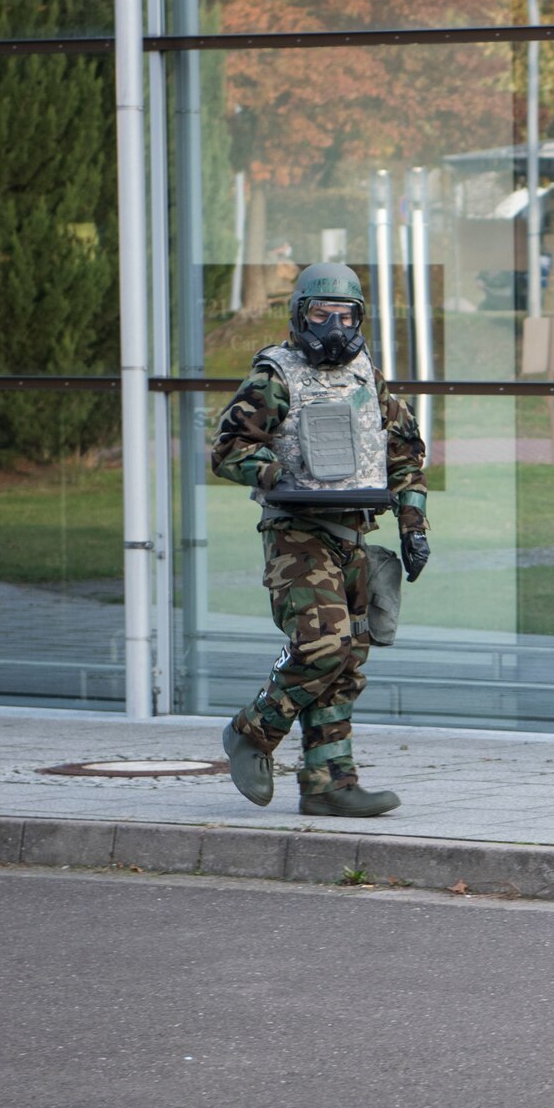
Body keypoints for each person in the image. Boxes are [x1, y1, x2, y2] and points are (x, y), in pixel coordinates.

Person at [210, 262, 432, 816]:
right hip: (297, 535)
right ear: (298, 315)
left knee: (347, 662)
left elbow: (405, 451)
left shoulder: (366, 375)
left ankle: (330, 783)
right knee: (322, 646)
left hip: (355, 534)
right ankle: (250, 732)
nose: (334, 325)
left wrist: (414, 525)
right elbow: (229, 448)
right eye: (320, 312)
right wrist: (273, 475)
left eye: (346, 314)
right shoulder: (275, 375)